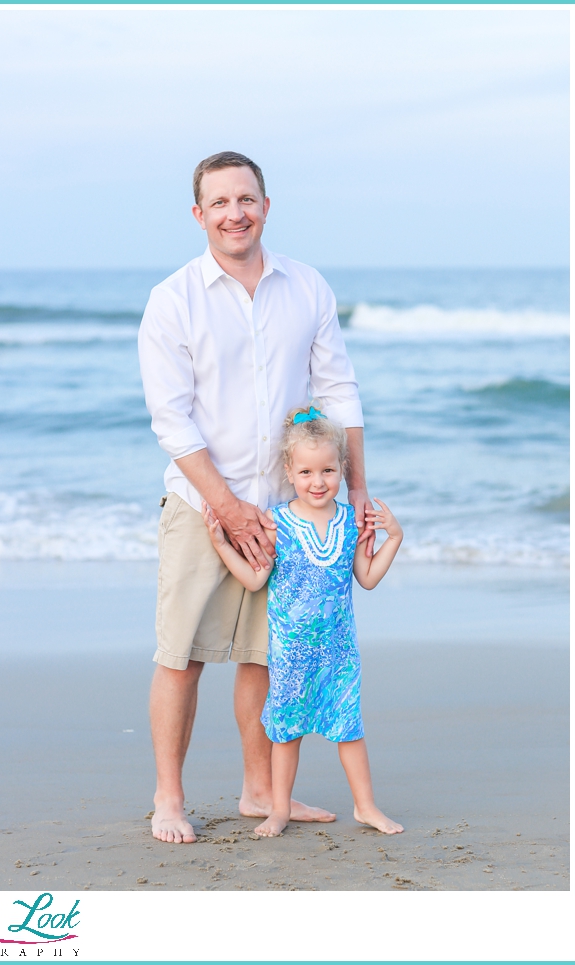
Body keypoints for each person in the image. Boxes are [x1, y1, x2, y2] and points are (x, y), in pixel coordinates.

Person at [138, 151, 373, 844]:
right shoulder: (173, 299)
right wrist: (227, 505)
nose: (234, 212)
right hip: (201, 504)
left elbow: (339, 392)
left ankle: (258, 789)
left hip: (288, 510)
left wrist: (356, 489)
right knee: (181, 653)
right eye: (220, 202)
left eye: (246, 199)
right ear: (198, 215)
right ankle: (169, 797)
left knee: (267, 656)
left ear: (266, 206)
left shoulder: (307, 287)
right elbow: (171, 419)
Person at [201, 406, 404, 837]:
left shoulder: (351, 522)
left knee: (349, 729)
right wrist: (221, 545)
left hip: (339, 653)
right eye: (307, 471)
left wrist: (395, 538)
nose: (318, 482)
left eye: (328, 470)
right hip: (291, 656)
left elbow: (366, 579)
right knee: (286, 734)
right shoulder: (278, 522)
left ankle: (366, 806)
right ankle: (278, 809)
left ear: (342, 469)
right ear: (290, 471)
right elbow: (256, 578)